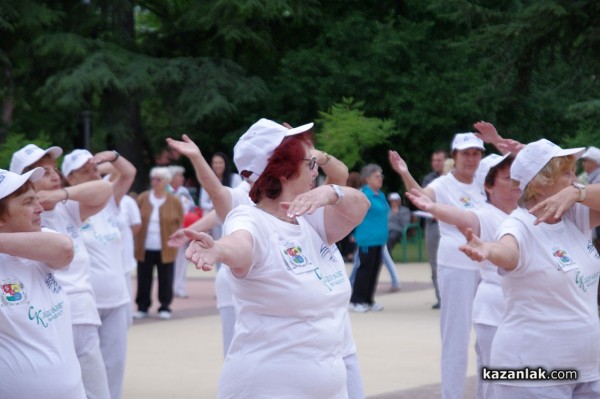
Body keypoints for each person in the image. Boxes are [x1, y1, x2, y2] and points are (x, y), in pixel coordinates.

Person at [183, 118, 370, 399]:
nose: (316, 169)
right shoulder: (251, 219)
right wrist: (219, 250)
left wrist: (332, 191)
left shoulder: (309, 216)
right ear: (283, 172)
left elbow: (359, 207)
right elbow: (241, 244)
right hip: (267, 387)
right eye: (309, 163)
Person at [460, 138, 600, 398]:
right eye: (566, 173)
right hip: (532, 371)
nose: (575, 178)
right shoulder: (519, 224)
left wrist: (577, 192)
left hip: (585, 369)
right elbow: (510, 252)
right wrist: (490, 250)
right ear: (540, 182)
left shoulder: (574, 216)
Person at [407, 153, 519, 399]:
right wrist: (433, 207)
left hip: (515, 306)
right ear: (488, 185)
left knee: (510, 374)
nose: (516, 185)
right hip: (490, 302)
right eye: (509, 179)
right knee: (496, 375)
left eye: (517, 179)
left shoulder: (520, 214)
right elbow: (461, 217)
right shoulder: (485, 213)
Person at [389, 131, 488, 399]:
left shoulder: (484, 182)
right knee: (456, 336)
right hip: (456, 265)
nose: (471, 158)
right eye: (465, 153)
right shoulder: (444, 184)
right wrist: (404, 172)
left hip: (487, 266)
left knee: (489, 335)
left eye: (476, 153)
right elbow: (422, 196)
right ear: (454, 156)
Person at [10, 144, 113, 398]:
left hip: (83, 314)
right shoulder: (24, 222)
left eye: (54, 170)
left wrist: (59, 195)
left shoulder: (65, 209)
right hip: (55, 321)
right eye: (44, 172)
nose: (55, 176)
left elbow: (105, 189)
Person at [0, 168, 86, 398]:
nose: (40, 208)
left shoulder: (39, 240)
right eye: (28, 202)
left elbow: (64, 249)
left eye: (37, 199)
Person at [62, 148, 136, 399]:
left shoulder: (109, 202)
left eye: (95, 170)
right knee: (86, 373)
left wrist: (111, 158)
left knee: (114, 367)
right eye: (85, 171)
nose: (94, 175)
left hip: (117, 299)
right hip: (86, 303)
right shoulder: (65, 209)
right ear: (69, 179)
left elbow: (129, 172)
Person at [133, 167, 183, 320]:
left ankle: (165, 306)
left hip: (166, 247)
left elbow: (180, 220)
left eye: (158, 179)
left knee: (166, 278)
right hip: (145, 246)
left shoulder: (174, 201)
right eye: (153, 179)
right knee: (143, 277)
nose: (155, 182)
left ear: (166, 181)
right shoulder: (142, 198)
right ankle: (142, 306)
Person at [349, 164, 389, 312]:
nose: (380, 179)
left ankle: (368, 299)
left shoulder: (380, 195)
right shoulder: (363, 195)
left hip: (379, 239)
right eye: (377, 176)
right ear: (367, 179)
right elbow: (353, 214)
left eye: (381, 176)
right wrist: (353, 234)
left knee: (374, 270)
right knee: (365, 270)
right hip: (367, 239)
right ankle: (356, 300)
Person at [421, 149, 447, 309]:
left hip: (451, 226)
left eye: (439, 160)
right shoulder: (428, 180)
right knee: (434, 263)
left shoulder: (452, 178)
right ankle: (440, 298)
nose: (436, 163)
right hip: (433, 225)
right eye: (434, 160)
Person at [168, 165, 195, 298]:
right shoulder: (165, 190)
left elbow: (192, 207)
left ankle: (180, 287)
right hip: (168, 229)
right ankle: (169, 287)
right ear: (172, 177)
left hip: (183, 229)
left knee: (182, 259)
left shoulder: (184, 191)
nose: (182, 178)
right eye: (180, 175)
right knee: (169, 260)